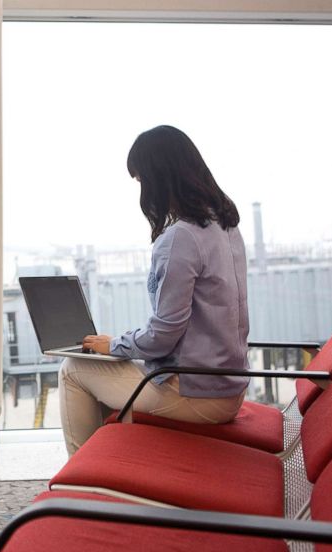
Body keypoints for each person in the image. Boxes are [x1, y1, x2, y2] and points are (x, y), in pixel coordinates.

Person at [59, 125, 250, 457]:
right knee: (108, 365)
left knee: (73, 370)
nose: (143, 191)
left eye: (142, 180)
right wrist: (118, 347)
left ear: (160, 177)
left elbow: (163, 336)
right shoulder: (226, 225)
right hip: (228, 388)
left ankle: (81, 484)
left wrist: (115, 344)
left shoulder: (181, 238)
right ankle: (108, 469)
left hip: (196, 394)